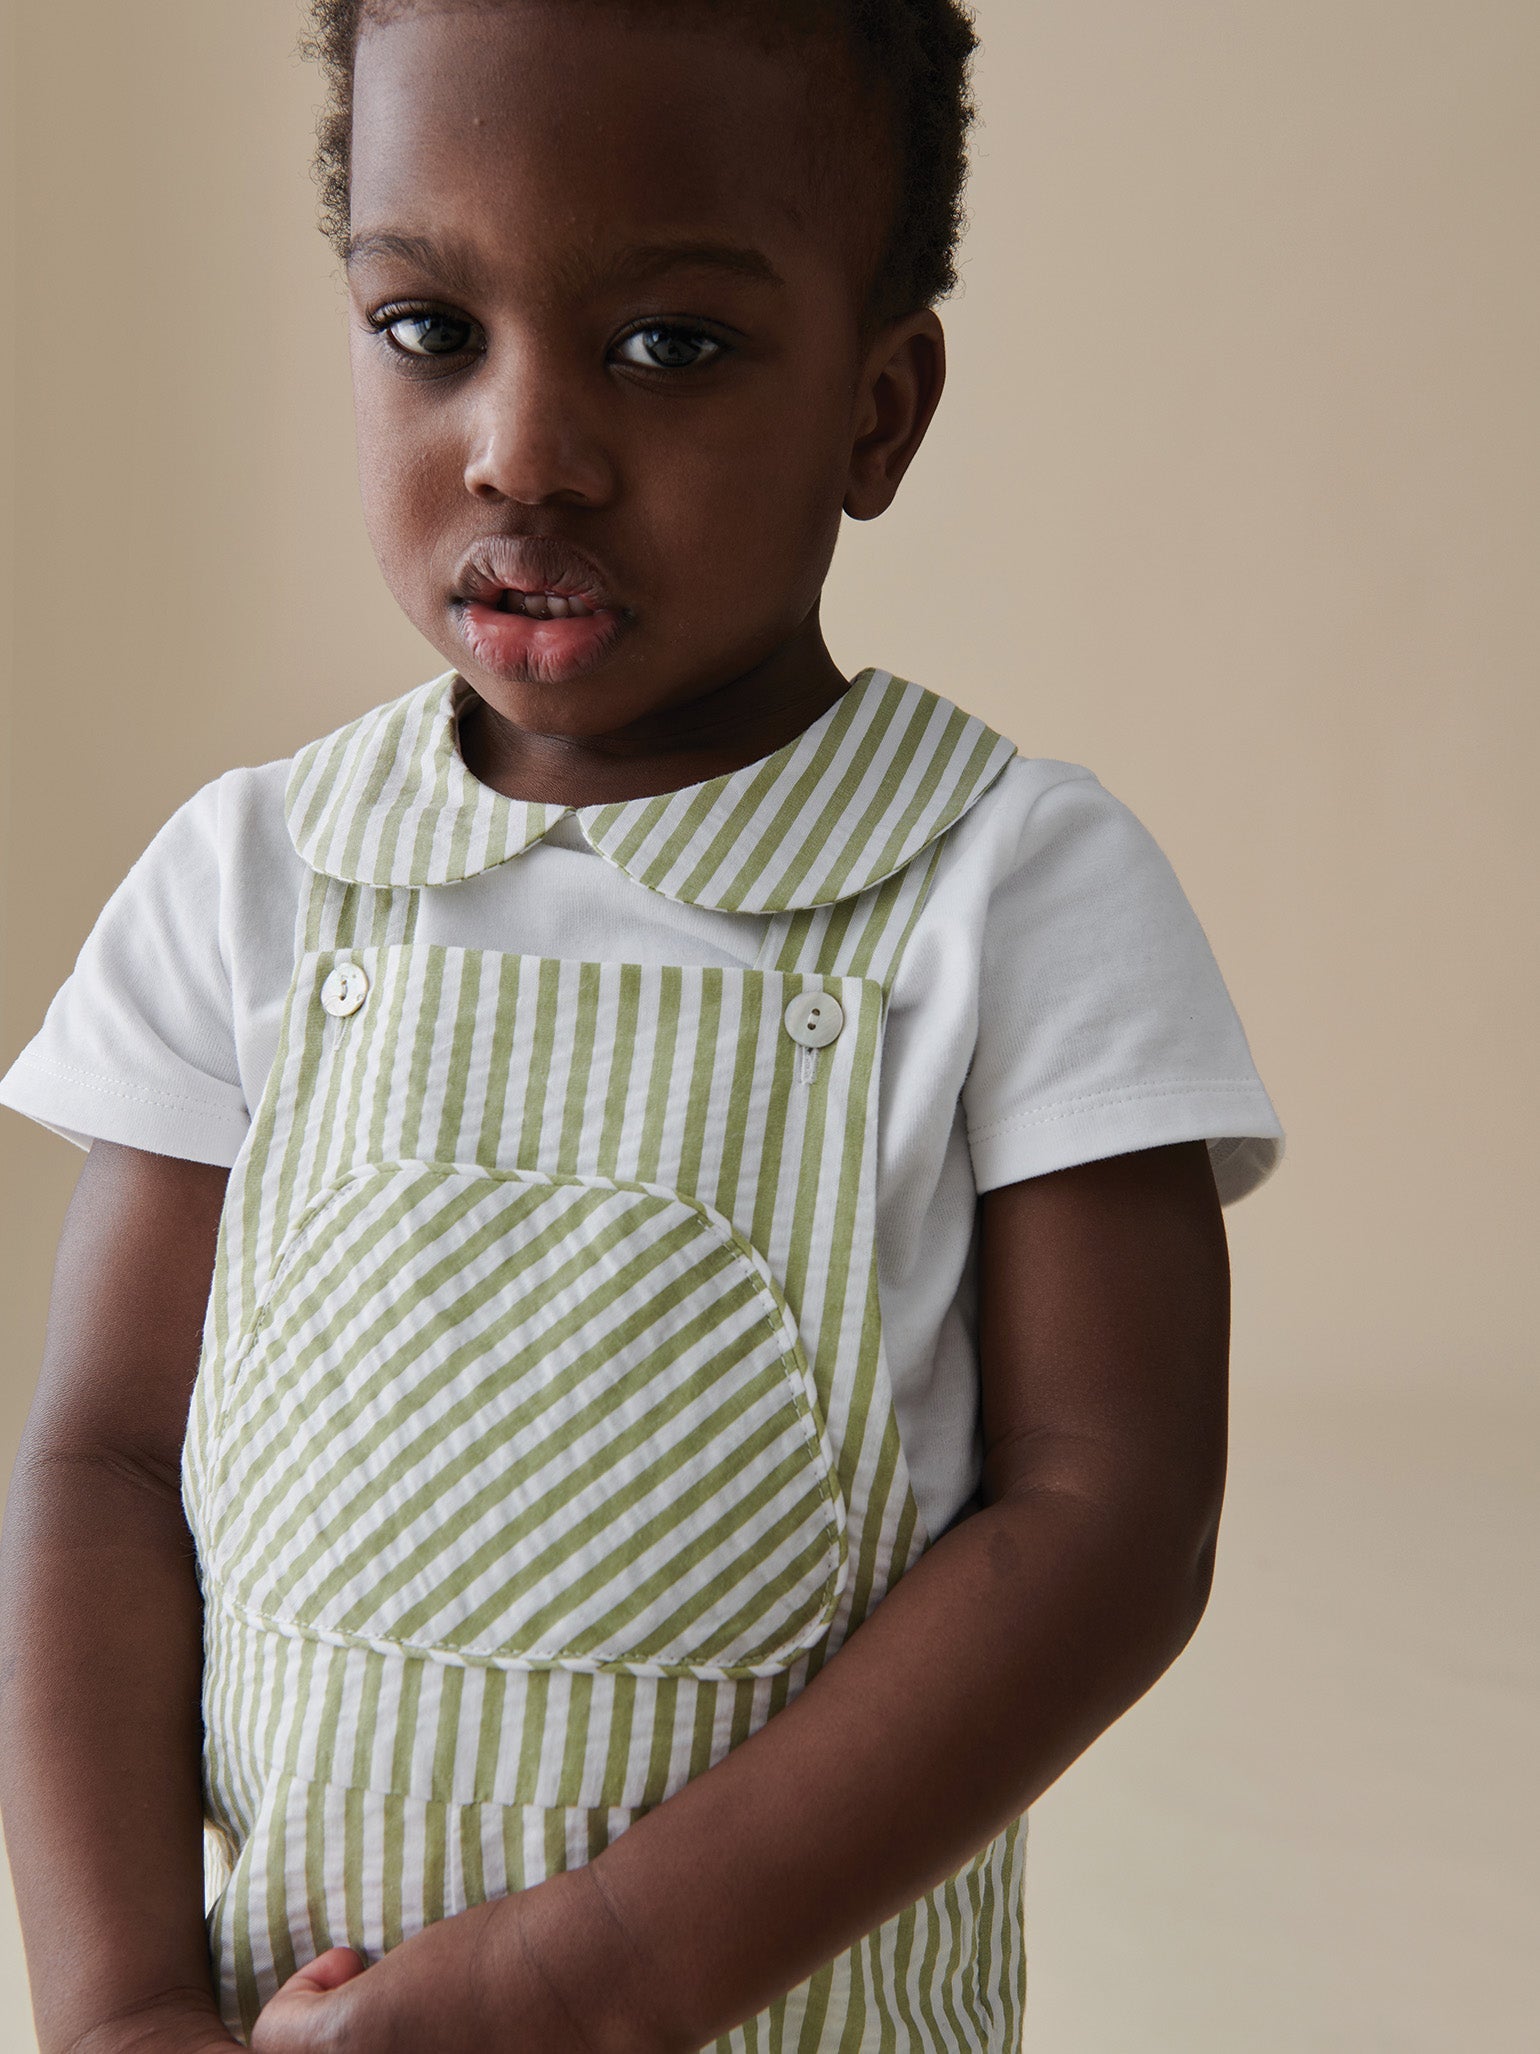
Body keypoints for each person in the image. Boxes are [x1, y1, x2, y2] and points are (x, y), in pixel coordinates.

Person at [0, 3, 1284, 2049]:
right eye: (429, 328)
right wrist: (121, 2000)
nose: (522, 447)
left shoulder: (1007, 894)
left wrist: (589, 1975)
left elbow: (1112, 1522)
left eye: (667, 344)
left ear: (876, 411)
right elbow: (102, 1464)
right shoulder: (251, 882)